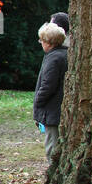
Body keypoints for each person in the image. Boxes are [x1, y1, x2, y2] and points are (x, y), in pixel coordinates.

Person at [33, 22, 68, 165]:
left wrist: (38, 102)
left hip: (52, 110)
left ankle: (53, 176)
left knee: (52, 147)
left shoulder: (54, 58)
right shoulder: (64, 54)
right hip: (58, 108)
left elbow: (48, 85)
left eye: (42, 40)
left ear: (49, 42)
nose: (40, 43)